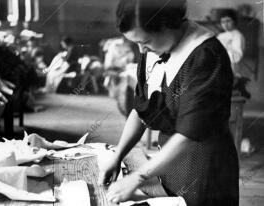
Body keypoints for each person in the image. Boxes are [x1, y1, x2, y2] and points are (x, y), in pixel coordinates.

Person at [99, 1, 239, 206]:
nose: (141, 49)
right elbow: (140, 111)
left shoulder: (205, 56)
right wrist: (118, 155)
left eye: (144, 41)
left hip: (204, 171)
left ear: (167, 24)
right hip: (169, 166)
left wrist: (137, 178)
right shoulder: (153, 50)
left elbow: (188, 135)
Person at [217, 10, 250, 99]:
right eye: (223, 21)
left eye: (228, 21)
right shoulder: (220, 36)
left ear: (234, 21)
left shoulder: (237, 36)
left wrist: (225, 49)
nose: (225, 24)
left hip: (231, 68)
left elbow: (237, 56)